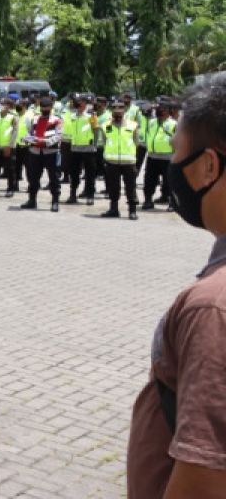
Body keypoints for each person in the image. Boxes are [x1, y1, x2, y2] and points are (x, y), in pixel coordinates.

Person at [127, 74, 226, 497]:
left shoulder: (213, 308)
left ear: (207, 166)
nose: (172, 169)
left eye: (175, 155)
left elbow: (203, 479)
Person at [20, 96, 62, 212]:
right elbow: (31, 132)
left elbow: (58, 136)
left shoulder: (56, 120)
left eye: (46, 107)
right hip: (35, 152)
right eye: (42, 107)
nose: (44, 109)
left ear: (51, 107)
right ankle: (32, 200)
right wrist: (28, 139)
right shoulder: (35, 119)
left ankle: (55, 202)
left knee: (54, 178)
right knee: (33, 178)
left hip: (50, 152)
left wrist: (45, 142)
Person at [101, 100, 140, 220]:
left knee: (131, 187)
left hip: (129, 162)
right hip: (112, 162)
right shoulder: (106, 126)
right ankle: (114, 209)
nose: (117, 114)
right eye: (115, 112)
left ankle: (132, 211)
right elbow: (105, 141)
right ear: (111, 111)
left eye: (120, 112)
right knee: (113, 187)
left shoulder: (132, 125)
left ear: (124, 112)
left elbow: (136, 143)